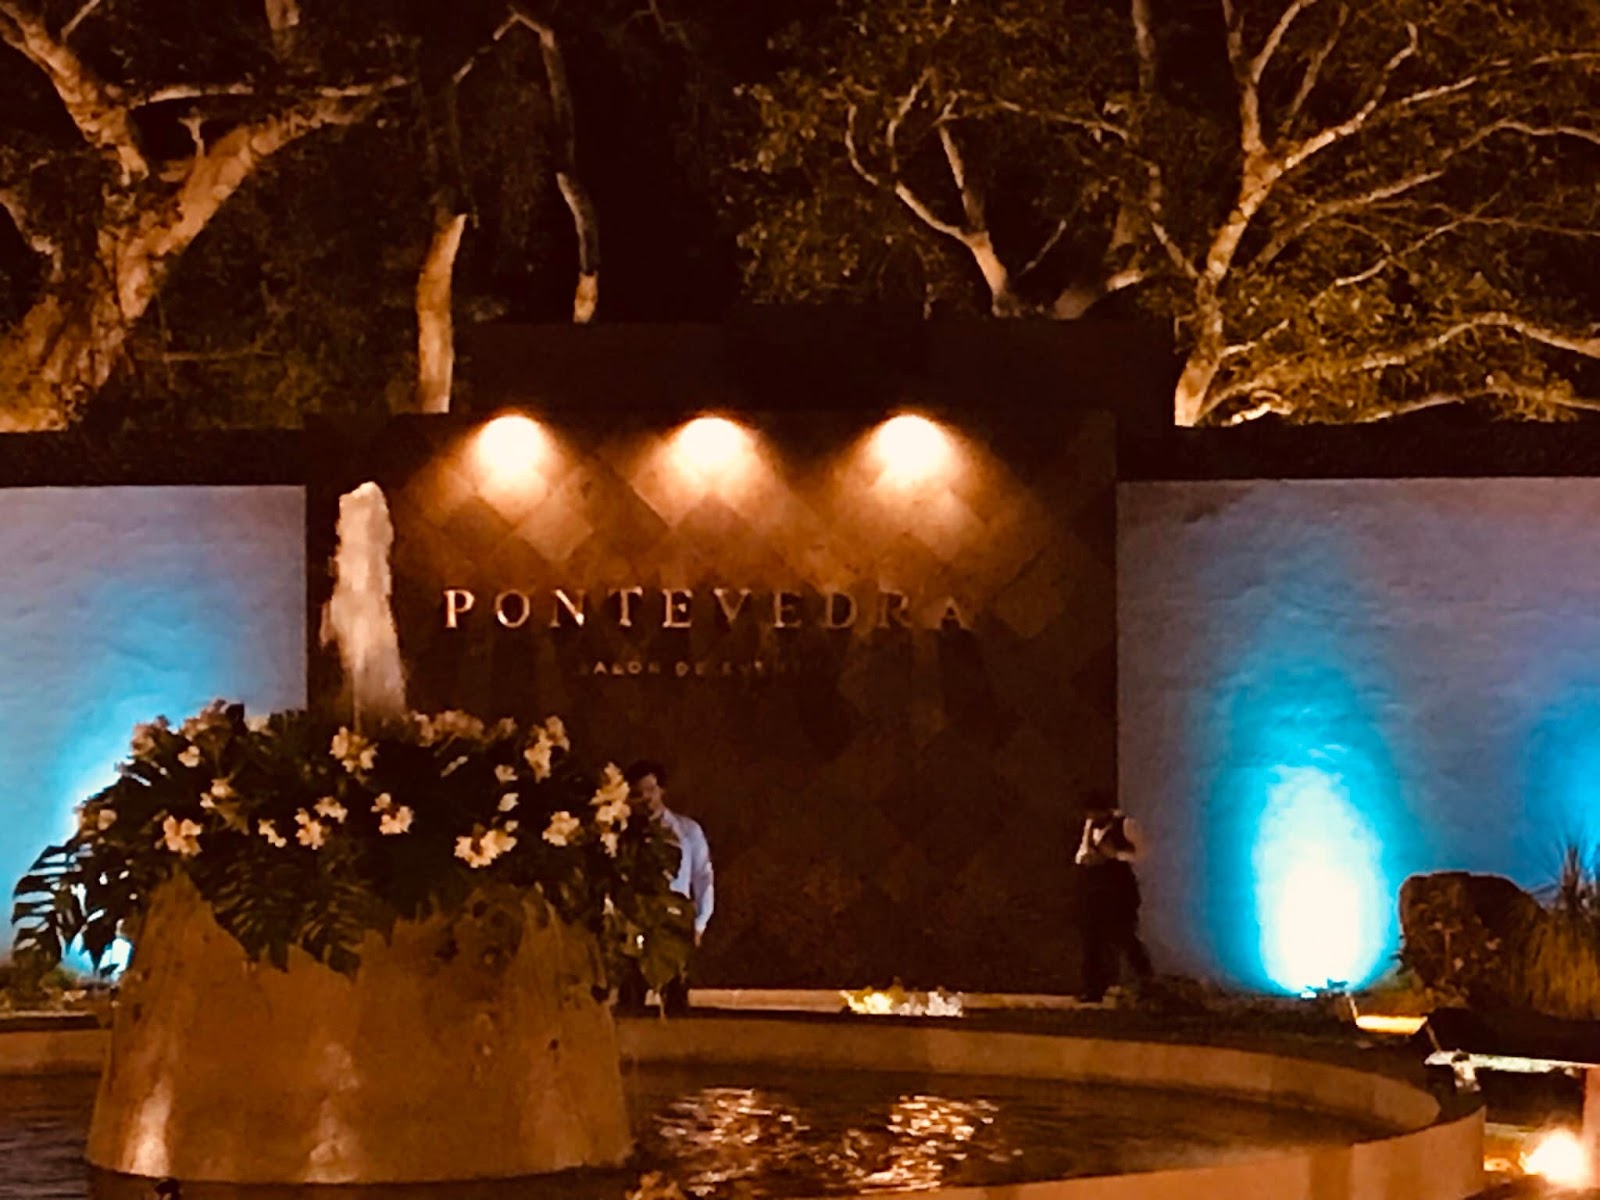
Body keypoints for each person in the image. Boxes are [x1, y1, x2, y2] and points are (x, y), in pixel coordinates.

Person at [617, 759, 714, 1015]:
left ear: (661, 790)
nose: (646, 799)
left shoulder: (687, 830)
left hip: (674, 917)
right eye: (639, 793)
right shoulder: (624, 833)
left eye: (651, 790)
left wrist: (700, 922)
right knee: (631, 995)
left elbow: (702, 876)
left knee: (676, 992)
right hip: (638, 916)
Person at [1074, 799, 1153, 1003]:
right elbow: (1081, 854)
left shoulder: (1126, 825)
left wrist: (1116, 855)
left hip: (1120, 889)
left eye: (1094, 813)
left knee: (1125, 937)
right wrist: (1088, 855)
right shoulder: (1091, 827)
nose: (1091, 818)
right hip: (1096, 889)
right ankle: (1093, 989)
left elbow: (1142, 854)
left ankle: (1147, 982)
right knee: (1093, 939)